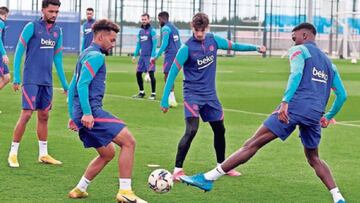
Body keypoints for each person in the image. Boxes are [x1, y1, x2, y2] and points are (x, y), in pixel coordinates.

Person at [180, 22, 347, 203]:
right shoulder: (330, 64)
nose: (293, 42)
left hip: (294, 107)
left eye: (294, 38)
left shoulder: (300, 51)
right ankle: (337, 197)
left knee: (252, 143)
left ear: (305, 36)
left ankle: (208, 178)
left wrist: (285, 102)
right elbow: (342, 95)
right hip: (315, 114)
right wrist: (328, 116)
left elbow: (296, 74)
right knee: (314, 157)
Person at [160, 12, 266, 182]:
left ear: (207, 28)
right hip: (192, 95)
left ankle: (223, 166)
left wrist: (255, 48)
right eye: (197, 30)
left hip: (210, 96)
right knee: (192, 130)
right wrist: (165, 99)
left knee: (220, 130)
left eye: (202, 30)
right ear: (192, 27)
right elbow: (172, 73)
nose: (200, 33)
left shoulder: (214, 40)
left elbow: (235, 46)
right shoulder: (186, 48)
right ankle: (178, 170)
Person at [67, 19, 147, 203]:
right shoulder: (96, 56)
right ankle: (125, 192)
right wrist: (86, 113)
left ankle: (80, 188)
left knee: (107, 153)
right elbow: (81, 84)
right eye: (111, 40)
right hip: (92, 113)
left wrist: (74, 116)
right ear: (100, 37)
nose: (114, 44)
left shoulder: (85, 53)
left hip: (83, 113)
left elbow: (72, 86)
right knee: (129, 142)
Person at [8, 0, 68, 168]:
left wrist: (65, 84)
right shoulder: (31, 26)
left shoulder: (58, 31)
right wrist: (16, 78)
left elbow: (58, 59)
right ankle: (13, 153)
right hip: (31, 79)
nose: (54, 14)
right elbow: (19, 52)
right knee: (26, 114)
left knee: (44, 116)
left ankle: (43, 154)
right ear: (43, 10)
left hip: (46, 81)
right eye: (51, 11)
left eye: (56, 11)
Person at [152, 11, 180, 107]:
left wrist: (156, 56)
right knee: (170, 75)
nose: (159, 22)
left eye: (159, 19)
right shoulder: (175, 28)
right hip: (177, 54)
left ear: (162, 19)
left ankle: (171, 98)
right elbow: (178, 42)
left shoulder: (165, 28)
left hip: (170, 55)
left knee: (167, 76)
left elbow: (164, 44)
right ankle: (171, 96)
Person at [132, 13, 157, 100]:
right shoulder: (140, 31)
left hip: (149, 56)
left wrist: (153, 56)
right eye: (142, 19)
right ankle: (141, 92)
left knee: (151, 74)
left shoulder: (152, 31)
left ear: (149, 20)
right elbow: (138, 44)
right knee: (138, 73)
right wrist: (135, 55)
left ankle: (153, 93)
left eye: (145, 19)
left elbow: (155, 45)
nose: (143, 21)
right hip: (142, 57)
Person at [0, 6, 10, 90]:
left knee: (6, 78)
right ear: (5, 15)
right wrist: (4, 54)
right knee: (6, 78)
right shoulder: (1, 22)